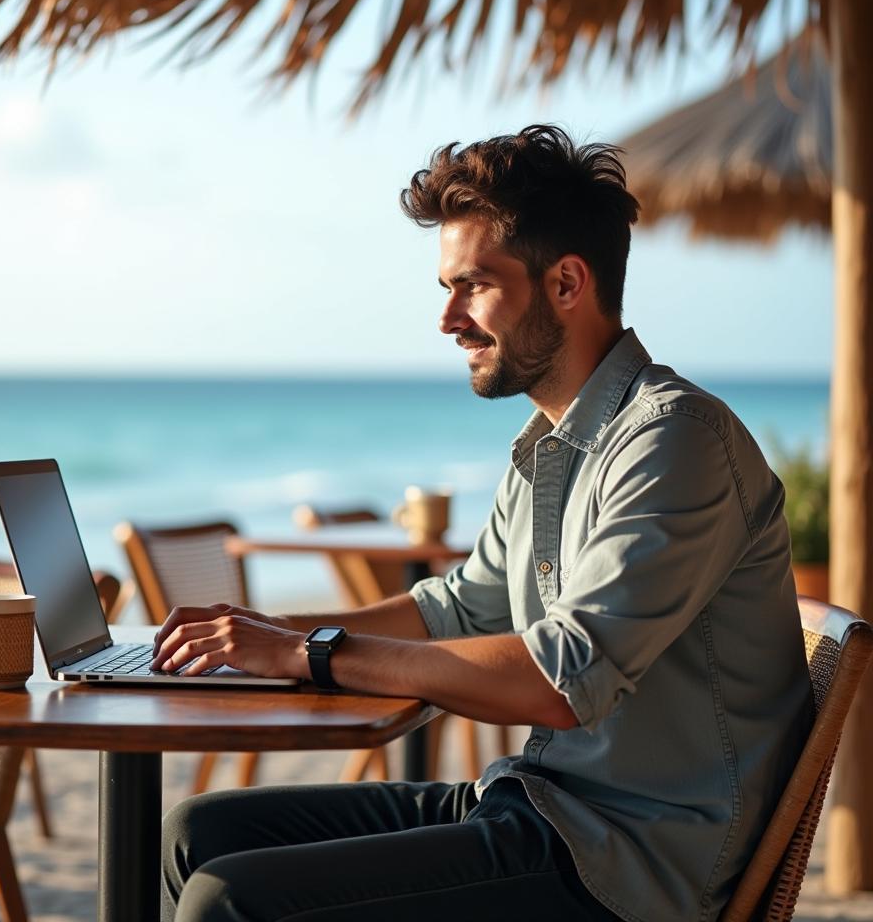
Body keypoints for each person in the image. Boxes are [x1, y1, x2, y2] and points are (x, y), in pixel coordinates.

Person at [154, 124, 813, 922]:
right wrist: (262, 637)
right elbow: (458, 609)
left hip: (630, 864)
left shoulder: (675, 441)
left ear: (566, 283)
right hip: (545, 804)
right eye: (447, 287)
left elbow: (562, 679)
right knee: (196, 834)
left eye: (472, 285)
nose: (448, 319)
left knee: (228, 899)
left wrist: (309, 654)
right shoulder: (551, 446)